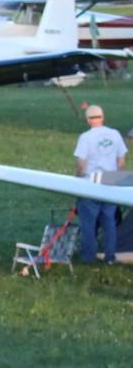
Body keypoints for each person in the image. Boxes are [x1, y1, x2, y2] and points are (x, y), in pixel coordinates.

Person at [74, 103, 126, 264]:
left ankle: (89, 257)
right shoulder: (115, 134)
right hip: (111, 180)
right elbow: (121, 161)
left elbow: (81, 165)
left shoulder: (85, 137)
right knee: (109, 221)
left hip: (92, 182)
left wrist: (78, 180)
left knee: (88, 223)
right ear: (103, 117)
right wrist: (115, 177)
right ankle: (110, 257)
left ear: (88, 120)